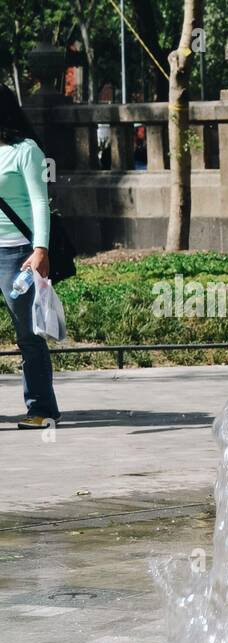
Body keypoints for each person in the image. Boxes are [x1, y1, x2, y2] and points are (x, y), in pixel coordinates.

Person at [0, 85, 59, 429]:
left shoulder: (26, 151)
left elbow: (39, 202)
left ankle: (41, 409)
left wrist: (40, 249)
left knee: (28, 335)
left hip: (18, 254)